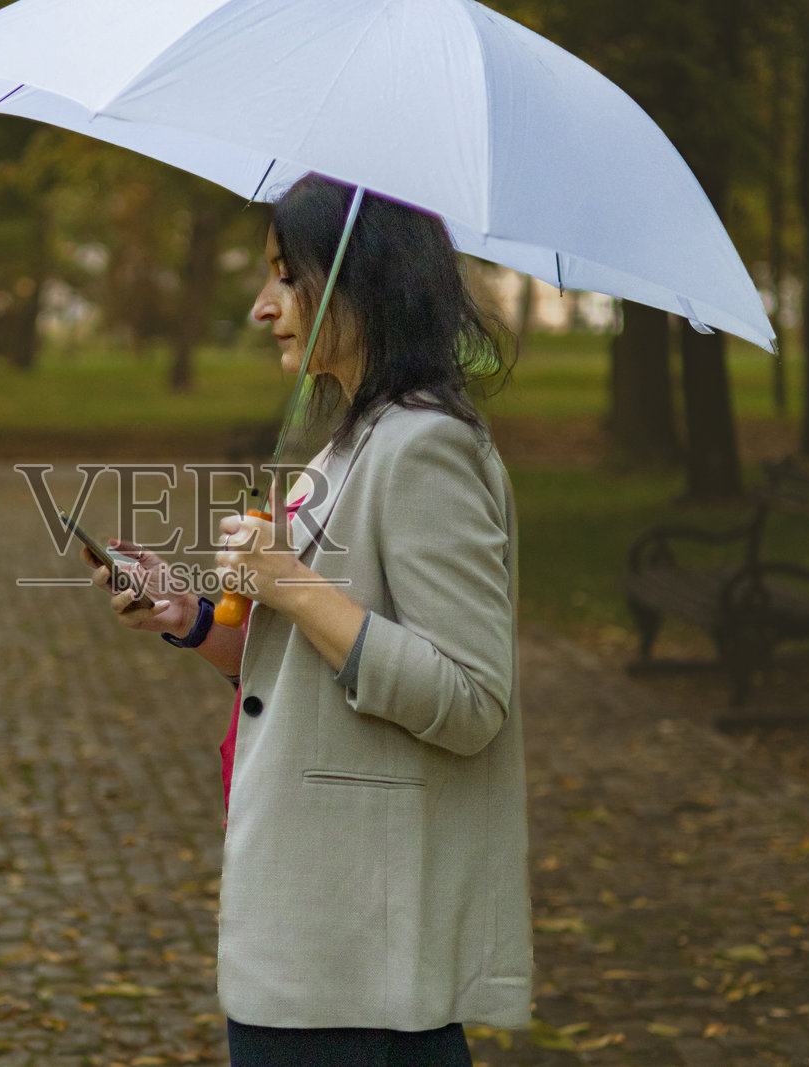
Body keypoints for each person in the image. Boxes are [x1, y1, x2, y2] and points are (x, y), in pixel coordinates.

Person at [82, 173, 530, 1067]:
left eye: (288, 276)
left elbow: (474, 698)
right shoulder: (351, 440)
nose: (262, 306)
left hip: (360, 951)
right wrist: (196, 618)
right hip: (312, 931)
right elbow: (310, 656)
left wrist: (289, 584)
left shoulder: (426, 446)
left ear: (364, 282)